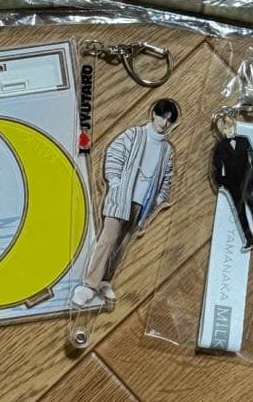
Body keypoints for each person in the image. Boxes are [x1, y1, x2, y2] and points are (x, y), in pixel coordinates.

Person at [72, 98, 178, 308]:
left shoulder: (167, 149)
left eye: (169, 120)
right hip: (121, 198)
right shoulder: (134, 134)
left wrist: (158, 199)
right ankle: (89, 285)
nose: (164, 123)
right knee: (108, 239)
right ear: (153, 114)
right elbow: (114, 154)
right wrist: (115, 182)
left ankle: (105, 280)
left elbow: (167, 176)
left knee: (122, 244)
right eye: (162, 117)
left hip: (142, 204)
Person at [211, 112, 253, 251]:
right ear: (221, 131)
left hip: (248, 180)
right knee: (241, 212)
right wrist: (222, 182)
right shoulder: (220, 146)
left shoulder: (244, 140)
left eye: (231, 127)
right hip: (232, 184)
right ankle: (249, 240)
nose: (230, 130)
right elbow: (217, 166)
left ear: (234, 126)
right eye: (226, 128)